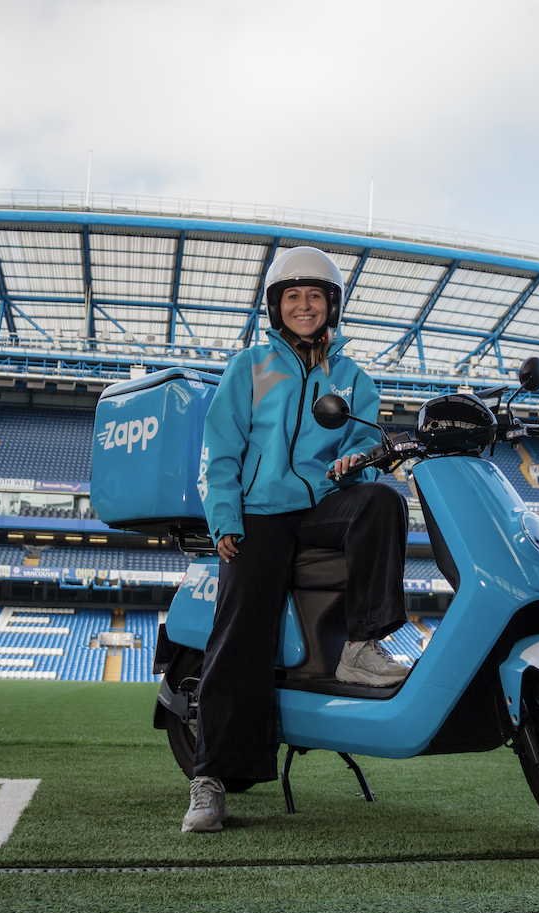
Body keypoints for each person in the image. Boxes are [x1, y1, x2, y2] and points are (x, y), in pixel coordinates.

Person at [183, 246, 410, 833]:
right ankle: (208, 781)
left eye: (314, 296)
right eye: (292, 297)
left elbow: (357, 457)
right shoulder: (249, 367)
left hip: (321, 508)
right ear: (276, 308)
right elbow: (221, 450)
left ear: (331, 305)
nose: (303, 306)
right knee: (238, 630)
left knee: (384, 499)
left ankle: (363, 646)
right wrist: (225, 517)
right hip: (258, 512)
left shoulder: (355, 379)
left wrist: (359, 464)